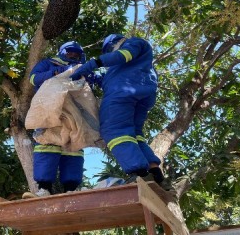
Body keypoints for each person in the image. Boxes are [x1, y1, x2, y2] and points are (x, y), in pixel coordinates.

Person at [70, 34, 171, 189]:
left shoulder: (133, 44)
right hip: (142, 97)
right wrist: (90, 77)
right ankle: (156, 175)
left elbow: (123, 55)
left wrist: (95, 62)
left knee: (115, 130)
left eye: (109, 50)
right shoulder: (127, 66)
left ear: (114, 43)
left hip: (122, 94)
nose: (109, 54)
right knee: (135, 136)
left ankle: (140, 174)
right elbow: (105, 80)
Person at [24, 41, 86, 198]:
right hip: (49, 109)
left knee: (74, 148)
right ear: (63, 52)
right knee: (47, 144)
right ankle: (44, 189)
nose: (73, 55)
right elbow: (33, 79)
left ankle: (71, 190)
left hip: (74, 113)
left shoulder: (83, 70)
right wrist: (56, 72)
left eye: (76, 53)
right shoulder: (48, 63)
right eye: (70, 52)